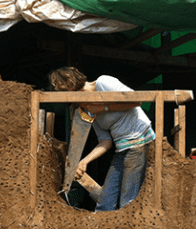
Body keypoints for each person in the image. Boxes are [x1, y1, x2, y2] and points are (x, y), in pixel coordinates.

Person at [48, 67, 155, 211]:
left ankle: (129, 225)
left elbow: (137, 100)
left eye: (76, 99)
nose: (79, 105)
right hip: (122, 149)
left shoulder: (104, 83)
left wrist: (103, 107)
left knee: (127, 202)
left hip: (139, 143)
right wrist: (84, 162)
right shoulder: (89, 110)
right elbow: (106, 141)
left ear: (75, 88)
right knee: (105, 203)